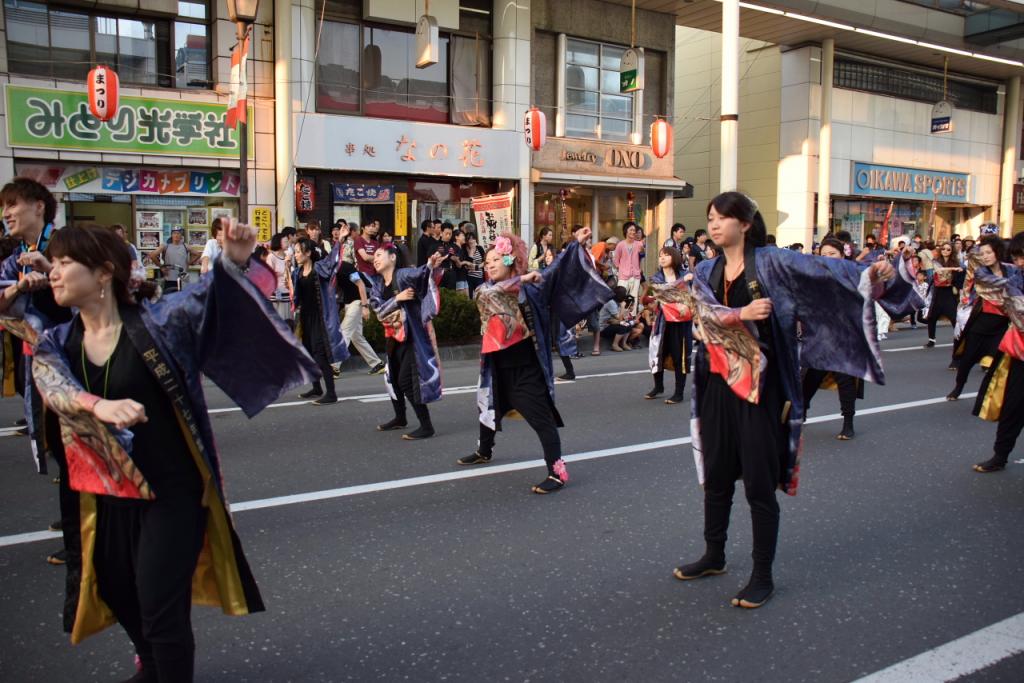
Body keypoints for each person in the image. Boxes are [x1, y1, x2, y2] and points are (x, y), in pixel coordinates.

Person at [7, 222, 317, 681]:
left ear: (104, 272)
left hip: (172, 492)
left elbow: (208, 298)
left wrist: (234, 261)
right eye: (54, 262)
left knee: (159, 604)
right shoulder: (59, 340)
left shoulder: (158, 323)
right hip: (107, 492)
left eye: (66, 262)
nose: (54, 272)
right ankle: (150, 665)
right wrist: (99, 406)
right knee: (115, 589)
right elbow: (52, 386)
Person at [673, 191, 920, 610]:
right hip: (717, 381)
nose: (713, 224)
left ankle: (762, 575)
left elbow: (825, 271)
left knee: (758, 483)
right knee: (716, 475)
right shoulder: (705, 269)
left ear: (744, 223)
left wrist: (872, 272)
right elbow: (695, 314)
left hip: (762, 387)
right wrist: (739, 314)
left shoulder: (774, 262)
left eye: (722, 217)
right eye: (710, 217)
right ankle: (714, 555)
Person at [457, 229, 611, 493]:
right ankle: (484, 450)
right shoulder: (484, 290)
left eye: (496, 259)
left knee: (542, 420)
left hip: (526, 367)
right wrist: (522, 279)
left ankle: (557, 472)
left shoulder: (530, 290)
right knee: (487, 408)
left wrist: (573, 244)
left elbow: (554, 271)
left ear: (511, 260)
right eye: (487, 261)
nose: (489, 264)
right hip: (496, 365)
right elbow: (494, 295)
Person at [0, 178, 75, 568]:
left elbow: (97, 289)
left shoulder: (65, 244)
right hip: (41, 365)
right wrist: (17, 288)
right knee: (60, 448)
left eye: (13, 205)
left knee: (74, 448)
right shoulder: (18, 256)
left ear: (39, 207)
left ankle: (80, 537)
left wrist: (53, 273)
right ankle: (76, 520)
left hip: (76, 366)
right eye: (4, 207)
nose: (6, 213)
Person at [370, 245, 446, 440]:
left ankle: (426, 426)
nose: (375, 259)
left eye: (379, 255)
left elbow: (421, 274)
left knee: (405, 380)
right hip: (392, 338)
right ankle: (400, 418)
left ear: (393, 257)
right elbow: (378, 311)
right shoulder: (378, 284)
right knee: (392, 379)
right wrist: (398, 298)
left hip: (412, 337)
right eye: (374, 256)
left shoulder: (403, 275)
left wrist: (430, 264)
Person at [968, 240, 1023, 473]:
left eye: (1022, 257)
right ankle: (1000, 456)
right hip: (1019, 351)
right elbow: (974, 260)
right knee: (1012, 406)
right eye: (1016, 257)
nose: (1019, 262)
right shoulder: (1013, 278)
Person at [947, 235, 1011, 401]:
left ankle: (986, 398)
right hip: (980, 323)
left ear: (997, 252)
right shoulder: (982, 272)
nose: (985, 257)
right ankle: (958, 387)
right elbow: (1002, 286)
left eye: (989, 252)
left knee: (995, 365)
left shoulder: (1010, 270)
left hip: (1001, 326)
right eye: (982, 254)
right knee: (967, 361)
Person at [291, 239, 350, 405]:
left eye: (298, 251)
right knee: (308, 353)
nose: (296, 255)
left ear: (308, 253)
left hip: (321, 317)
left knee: (319, 353)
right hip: (305, 317)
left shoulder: (319, 268)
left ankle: (331, 393)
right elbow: (296, 296)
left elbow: (332, 260)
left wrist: (340, 240)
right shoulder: (297, 272)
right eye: (295, 252)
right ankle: (316, 388)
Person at [645, 246, 693, 405]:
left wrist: (685, 303)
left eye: (666, 255)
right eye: (660, 255)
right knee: (657, 354)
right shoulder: (656, 278)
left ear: (675, 257)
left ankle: (679, 392)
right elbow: (660, 292)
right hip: (662, 321)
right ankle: (658, 386)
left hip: (681, 322)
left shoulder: (685, 274)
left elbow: (692, 295)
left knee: (680, 356)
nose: (662, 258)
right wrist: (681, 286)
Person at [336, 243, 386, 375]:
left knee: (344, 331)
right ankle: (377, 363)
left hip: (358, 301)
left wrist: (365, 307)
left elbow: (361, 285)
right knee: (356, 337)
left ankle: (334, 366)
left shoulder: (346, 268)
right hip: (350, 302)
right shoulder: (331, 269)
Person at [924, 241, 962, 348]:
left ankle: (959, 340)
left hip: (949, 292)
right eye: (943, 249)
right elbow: (939, 270)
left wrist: (955, 277)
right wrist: (953, 269)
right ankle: (931, 340)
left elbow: (959, 276)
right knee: (932, 317)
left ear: (952, 251)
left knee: (954, 318)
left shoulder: (956, 263)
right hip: (938, 291)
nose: (945, 251)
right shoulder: (936, 261)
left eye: (948, 249)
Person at [147, 228, 199, 293]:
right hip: (170, 277)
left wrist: (189, 263)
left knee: (183, 297)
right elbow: (152, 255)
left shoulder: (185, 246)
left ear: (181, 235)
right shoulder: (165, 246)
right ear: (171, 235)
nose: (176, 235)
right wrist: (161, 267)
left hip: (183, 278)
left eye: (178, 233)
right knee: (169, 296)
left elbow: (197, 254)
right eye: (174, 233)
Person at [597, 286, 641, 352]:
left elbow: (622, 318)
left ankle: (623, 343)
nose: (625, 296)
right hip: (603, 328)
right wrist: (622, 307)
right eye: (624, 294)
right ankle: (614, 345)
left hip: (611, 323)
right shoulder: (611, 303)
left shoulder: (617, 302)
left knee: (628, 324)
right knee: (623, 326)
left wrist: (627, 313)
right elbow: (619, 318)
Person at [613, 222, 643, 312]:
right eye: (631, 230)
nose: (633, 232)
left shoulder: (639, 244)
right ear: (626, 231)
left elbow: (642, 256)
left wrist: (642, 251)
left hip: (635, 275)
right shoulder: (620, 245)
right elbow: (616, 260)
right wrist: (621, 269)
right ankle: (621, 315)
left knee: (634, 297)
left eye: (634, 230)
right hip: (623, 276)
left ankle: (632, 316)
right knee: (621, 296)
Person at [462, 231, 485, 296]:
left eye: (473, 238)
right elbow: (467, 264)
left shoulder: (479, 248)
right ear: (466, 241)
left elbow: (485, 261)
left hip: (479, 276)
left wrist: (477, 267)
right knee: (469, 296)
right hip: (468, 277)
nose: (471, 241)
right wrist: (472, 250)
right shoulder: (464, 249)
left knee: (480, 296)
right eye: (469, 239)